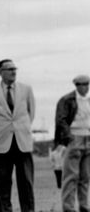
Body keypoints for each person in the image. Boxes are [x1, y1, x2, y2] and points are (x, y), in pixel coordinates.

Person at [0, 59, 36, 212]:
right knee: (2, 183)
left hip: (22, 142)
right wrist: (3, 130)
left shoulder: (26, 89)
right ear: (0, 72)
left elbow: (31, 113)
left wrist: (21, 128)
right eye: (9, 69)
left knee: (26, 182)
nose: (13, 72)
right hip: (1, 143)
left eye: (14, 69)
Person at [55, 74, 90, 212]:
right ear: (76, 85)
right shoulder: (67, 100)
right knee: (71, 176)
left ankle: (84, 206)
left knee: (85, 176)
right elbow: (61, 120)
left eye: (87, 84)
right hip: (75, 138)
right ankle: (68, 208)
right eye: (82, 84)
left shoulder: (88, 100)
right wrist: (68, 137)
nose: (85, 87)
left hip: (88, 138)